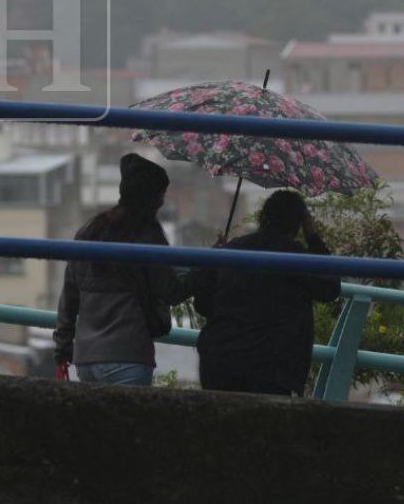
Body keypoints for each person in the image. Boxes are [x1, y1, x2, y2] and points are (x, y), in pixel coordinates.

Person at [53, 152, 191, 387]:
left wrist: (63, 346)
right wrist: (208, 267)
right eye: (161, 194)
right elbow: (171, 291)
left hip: (86, 358)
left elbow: (69, 297)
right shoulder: (147, 236)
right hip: (129, 354)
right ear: (150, 198)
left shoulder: (91, 231)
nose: (163, 200)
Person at [192, 189, 341, 396]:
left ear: (262, 217)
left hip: (219, 360)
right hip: (271, 369)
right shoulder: (297, 259)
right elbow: (330, 288)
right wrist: (313, 236)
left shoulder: (233, 250)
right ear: (298, 225)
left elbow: (202, 303)